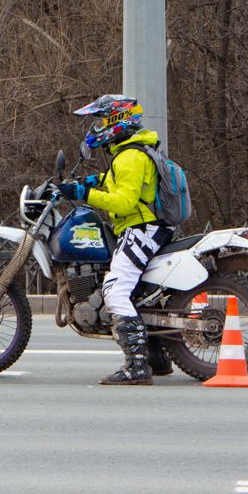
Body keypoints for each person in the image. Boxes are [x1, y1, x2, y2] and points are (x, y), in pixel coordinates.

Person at [58, 94, 175, 385]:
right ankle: (157, 357)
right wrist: (91, 181)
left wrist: (84, 194)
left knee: (115, 291)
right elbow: (118, 182)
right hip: (142, 227)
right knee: (133, 292)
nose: (95, 128)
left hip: (142, 229)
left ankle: (136, 368)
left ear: (116, 120)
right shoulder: (128, 153)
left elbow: (123, 203)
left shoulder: (131, 156)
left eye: (99, 121)